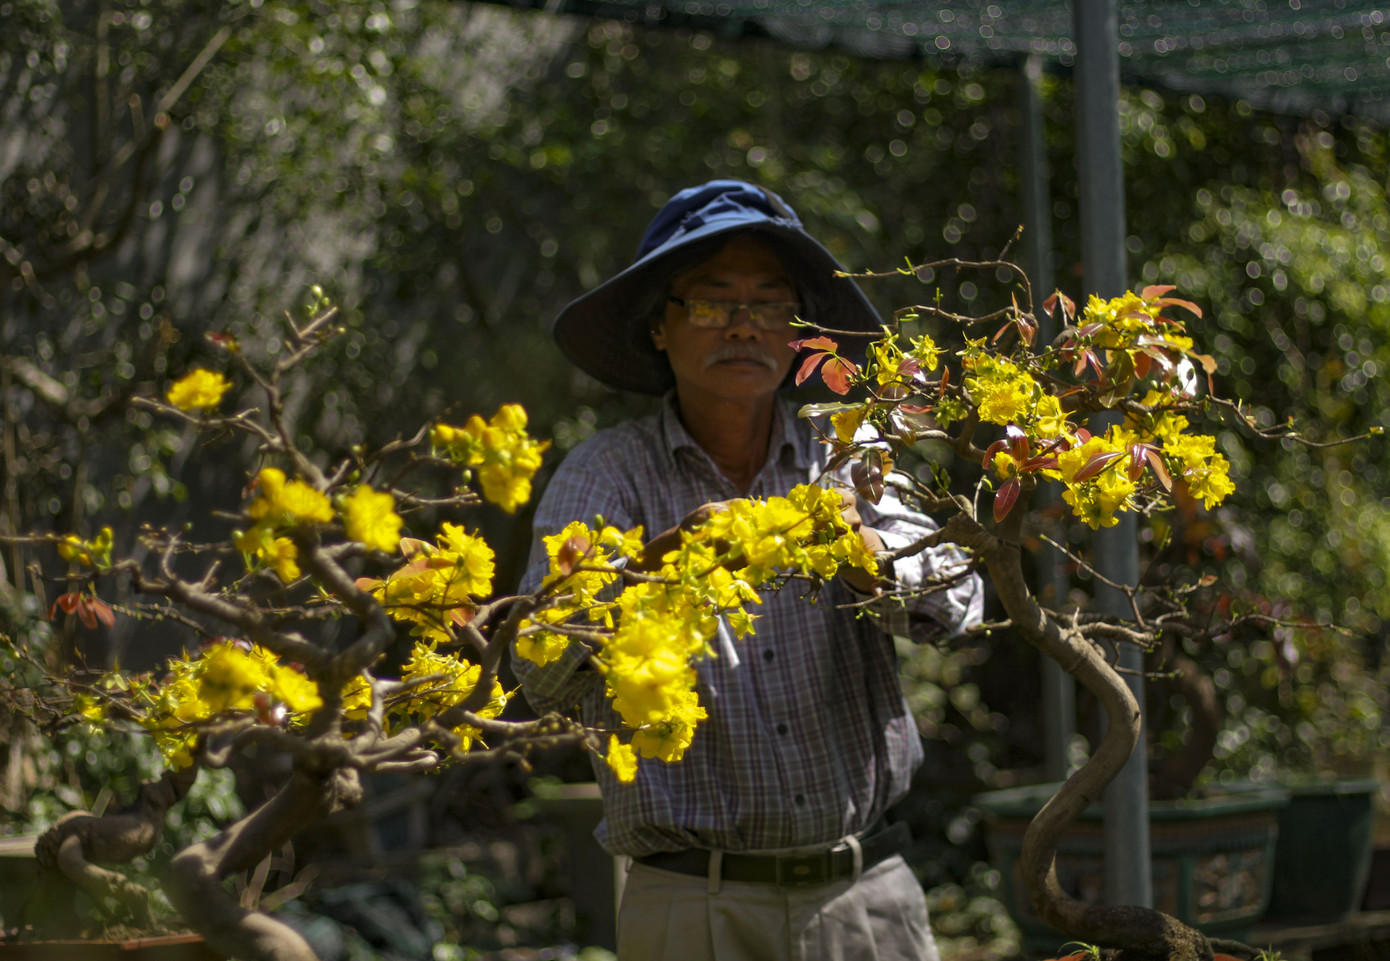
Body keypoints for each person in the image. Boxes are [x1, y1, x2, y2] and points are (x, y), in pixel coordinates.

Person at [512, 180, 983, 961]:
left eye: (771, 304)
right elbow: (541, 666)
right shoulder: (607, 477)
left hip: (862, 895)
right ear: (659, 327)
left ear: (801, 334)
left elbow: (962, 604)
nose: (743, 325)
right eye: (712, 301)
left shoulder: (845, 458)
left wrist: (867, 559)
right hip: (694, 905)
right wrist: (652, 567)